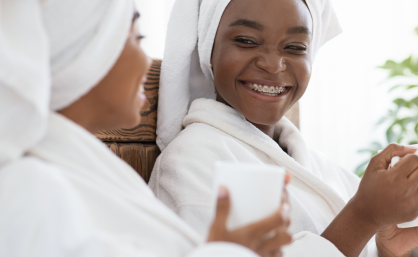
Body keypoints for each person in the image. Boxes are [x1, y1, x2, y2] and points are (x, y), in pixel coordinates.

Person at [148, 0, 418, 256]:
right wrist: (363, 217)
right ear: (208, 48)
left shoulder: (318, 166)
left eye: (295, 47)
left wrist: (388, 248)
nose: (273, 64)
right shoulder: (194, 162)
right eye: (246, 41)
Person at [0, 1, 292, 256]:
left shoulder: (91, 174)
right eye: (137, 38)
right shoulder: (26, 191)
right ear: (84, 54)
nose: (147, 61)